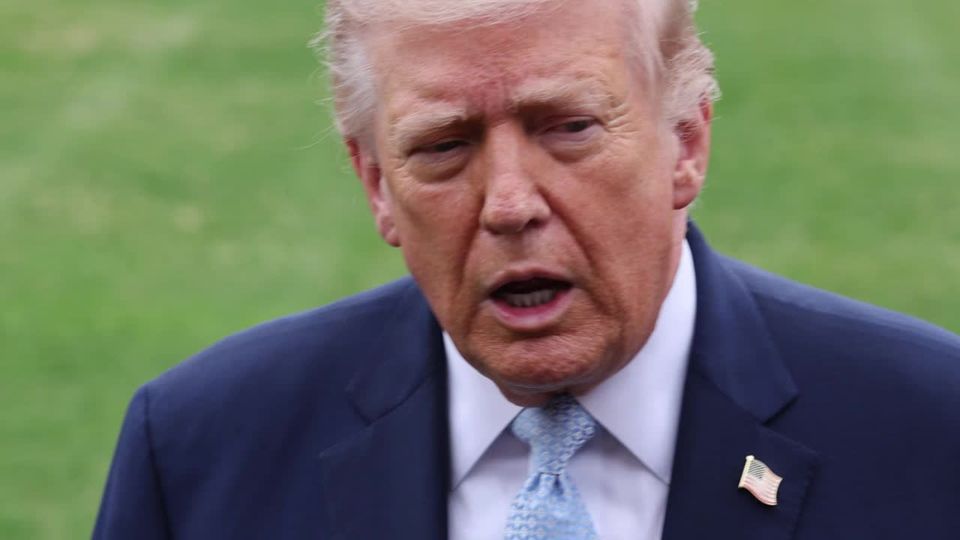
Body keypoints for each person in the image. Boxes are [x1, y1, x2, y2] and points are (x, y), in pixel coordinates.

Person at [93, 0, 960, 538]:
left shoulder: (932, 430)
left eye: (569, 127)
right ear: (377, 184)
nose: (509, 204)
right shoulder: (202, 452)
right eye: (444, 146)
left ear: (686, 142)